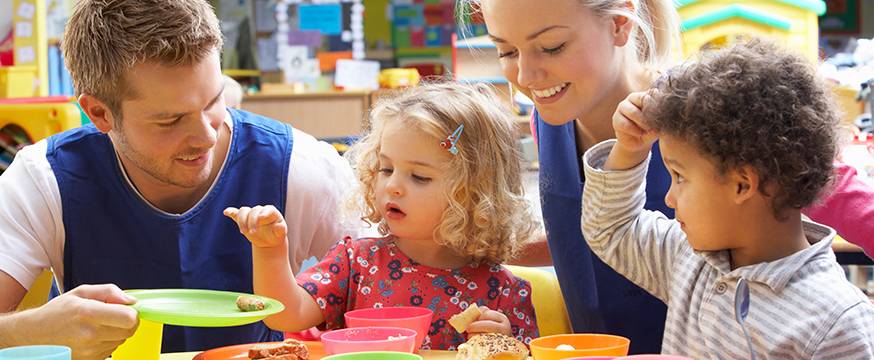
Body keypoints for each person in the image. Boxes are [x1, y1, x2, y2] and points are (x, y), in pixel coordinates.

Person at [472, 0, 874, 353]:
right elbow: (590, 233)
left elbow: (815, 170)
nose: (525, 76)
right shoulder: (551, 115)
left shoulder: (711, 117)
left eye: (552, 46)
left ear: (619, 24)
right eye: (504, 49)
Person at [0, 0, 355, 356]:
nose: (207, 137)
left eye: (214, 102)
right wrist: (31, 330)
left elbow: (392, 299)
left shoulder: (301, 166)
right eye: (170, 120)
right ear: (99, 113)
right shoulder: (43, 179)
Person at [582, 40, 874, 358]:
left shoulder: (835, 321)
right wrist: (629, 150)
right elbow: (609, 228)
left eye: (679, 177)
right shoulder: (689, 259)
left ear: (742, 184)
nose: (668, 197)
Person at [225, 82, 540, 350]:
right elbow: (285, 315)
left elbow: (526, 353)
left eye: (419, 177)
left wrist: (505, 341)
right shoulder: (355, 262)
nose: (393, 186)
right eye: (386, 168)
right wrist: (269, 251)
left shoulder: (504, 293)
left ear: (475, 196)